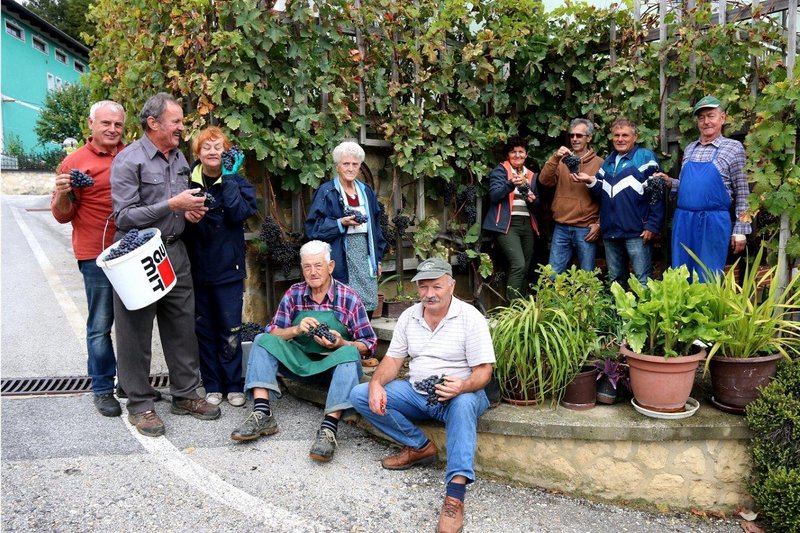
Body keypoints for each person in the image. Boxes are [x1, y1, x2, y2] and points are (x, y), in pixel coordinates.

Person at [350, 258, 495, 533]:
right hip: (418, 394)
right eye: (424, 287)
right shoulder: (409, 316)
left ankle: (455, 497)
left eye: (437, 286)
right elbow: (392, 360)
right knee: (360, 393)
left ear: (451, 286)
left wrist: (462, 386)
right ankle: (419, 446)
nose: (430, 293)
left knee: (463, 405)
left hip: (461, 395)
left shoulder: (470, 318)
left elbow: (484, 372)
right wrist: (377, 384)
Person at [110, 92, 220, 437]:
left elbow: (179, 206)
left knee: (181, 326)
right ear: (153, 123)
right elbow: (124, 216)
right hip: (137, 255)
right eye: (176, 121)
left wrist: (188, 212)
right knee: (134, 332)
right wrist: (172, 204)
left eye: (182, 121)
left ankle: (185, 394)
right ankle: (140, 404)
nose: (181, 127)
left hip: (174, 251)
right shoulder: (129, 160)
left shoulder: (180, 159)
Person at [230, 240, 378, 463]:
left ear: (330, 266)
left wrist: (341, 344)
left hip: (332, 367)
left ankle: (328, 429)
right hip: (297, 363)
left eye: (318, 265)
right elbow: (273, 331)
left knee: (350, 353)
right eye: (307, 266)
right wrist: (296, 329)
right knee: (261, 339)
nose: (313, 272)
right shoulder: (294, 294)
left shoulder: (349, 297)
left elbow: (369, 344)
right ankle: (262, 413)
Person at [51, 100, 127, 417]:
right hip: (95, 255)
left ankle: (132, 383)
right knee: (100, 325)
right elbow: (61, 216)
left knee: (134, 324)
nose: (112, 129)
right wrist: (63, 193)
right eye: (105, 123)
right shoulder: (74, 163)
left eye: (118, 125)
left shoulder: (132, 155)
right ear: (91, 124)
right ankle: (101, 388)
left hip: (131, 253)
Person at [183, 126, 258, 407]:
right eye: (206, 147)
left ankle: (233, 385)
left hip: (229, 270)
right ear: (197, 153)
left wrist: (228, 179)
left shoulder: (239, 183)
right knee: (204, 329)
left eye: (218, 147)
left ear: (226, 152)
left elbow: (238, 214)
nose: (213, 152)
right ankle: (212, 384)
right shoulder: (186, 184)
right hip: (198, 269)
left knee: (231, 330)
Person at [655, 96, 751, 280]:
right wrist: (669, 181)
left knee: (708, 276)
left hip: (713, 222)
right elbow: (687, 187)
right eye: (701, 117)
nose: (706, 121)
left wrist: (741, 230)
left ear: (722, 118)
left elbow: (743, 192)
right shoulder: (690, 148)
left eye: (711, 116)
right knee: (681, 276)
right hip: (683, 221)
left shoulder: (733, 148)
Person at [573, 118, 665, 286]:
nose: (620, 139)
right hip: (611, 232)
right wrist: (590, 181)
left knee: (642, 281)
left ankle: (644, 313)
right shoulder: (608, 162)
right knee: (616, 281)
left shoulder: (645, 158)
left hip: (637, 232)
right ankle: (617, 314)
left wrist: (652, 225)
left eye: (625, 135)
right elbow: (600, 194)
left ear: (635, 137)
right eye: (616, 135)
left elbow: (657, 193)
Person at [305, 141, 387, 318]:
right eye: (346, 164)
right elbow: (313, 228)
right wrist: (340, 223)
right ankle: (345, 343)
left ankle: (363, 341)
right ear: (337, 166)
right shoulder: (327, 192)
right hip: (340, 254)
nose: (350, 168)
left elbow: (376, 225)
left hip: (365, 254)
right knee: (342, 305)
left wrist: (377, 259)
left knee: (366, 304)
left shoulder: (366, 191)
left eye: (355, 164)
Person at [538, 118, 604, 273]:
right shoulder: (561, 161)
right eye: (572, 135)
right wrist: (555, 157)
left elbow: (607, 197)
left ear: (589, 138)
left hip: (585, 229)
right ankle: (552, 299)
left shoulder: (600, 163)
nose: (574, 139)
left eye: (579, 135)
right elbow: (544, 180)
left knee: (587, 277)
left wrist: (599, 224)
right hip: (561, 226)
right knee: (552, 275)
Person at [481, 136, 539, 301]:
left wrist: (533, 199)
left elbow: (537, 205)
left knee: (525, 267)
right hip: (507, 225)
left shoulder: (531, 175)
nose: (517, 155)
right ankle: (514, 310)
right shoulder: (500, 170)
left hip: (527, 224)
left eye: (521, 152)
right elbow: (494, 195)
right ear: (508, 154)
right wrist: (510, 184)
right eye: (513, 152)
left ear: (526, 155)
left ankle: (522, 307)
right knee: (518, 264)